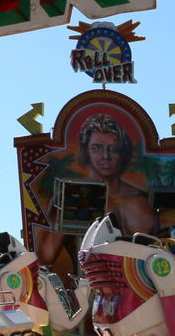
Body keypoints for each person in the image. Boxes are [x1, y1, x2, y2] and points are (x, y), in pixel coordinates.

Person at [37, 113, 158, 265]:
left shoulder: (142, 200)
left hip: (140, 286)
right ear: (86, 150)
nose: (105, 156)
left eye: (113, 149)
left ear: (122, 152)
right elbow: (44, 258)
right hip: (89, 285)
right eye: (97, 148)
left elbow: (160, 250)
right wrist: (59, 208)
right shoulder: (69, 197)